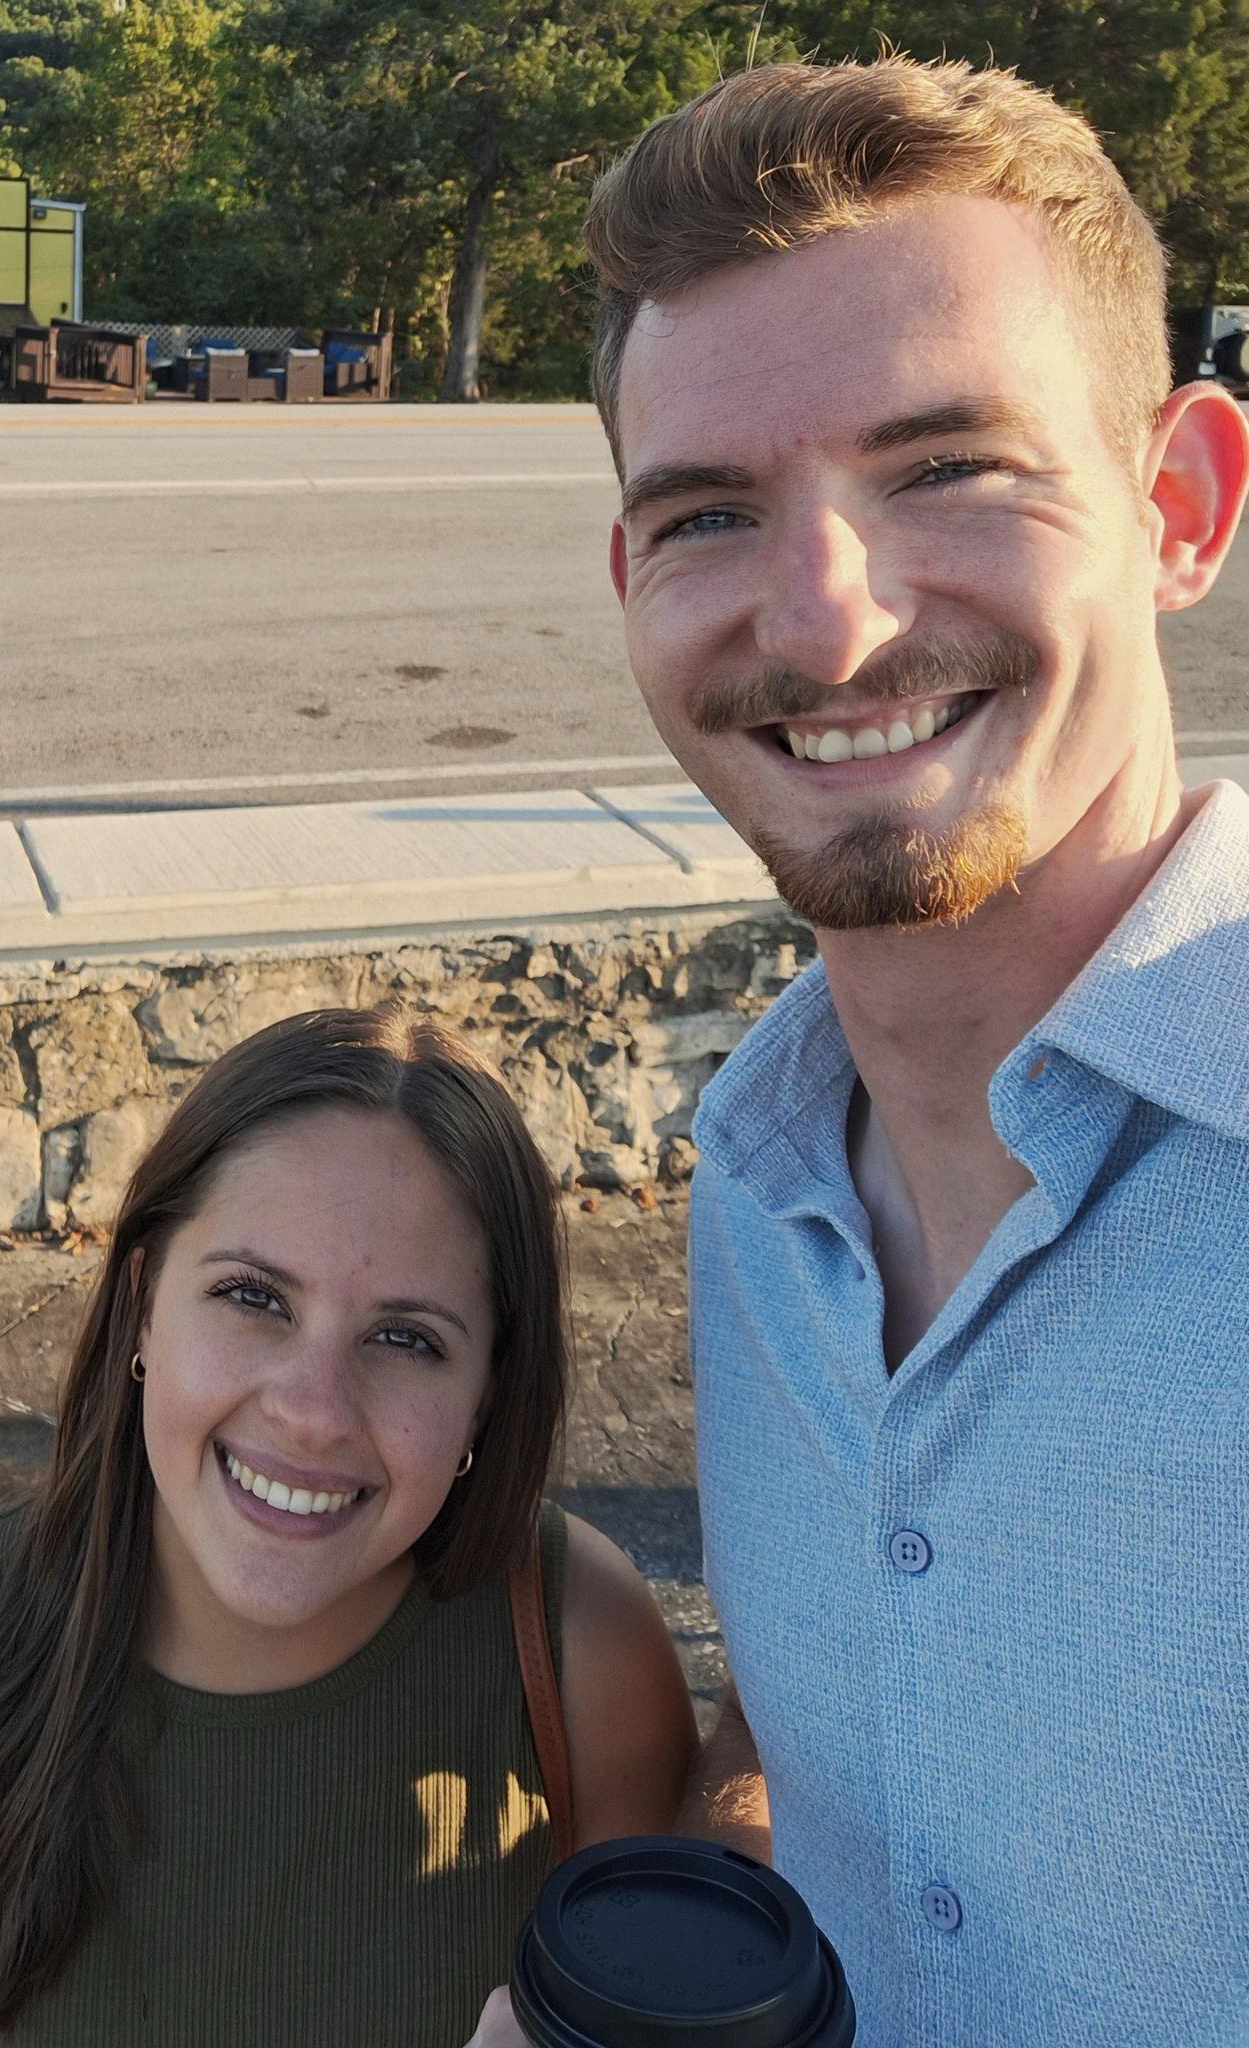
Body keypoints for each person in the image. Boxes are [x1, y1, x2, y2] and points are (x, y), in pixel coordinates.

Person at [481, 52, 1249, 2048]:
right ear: (637, 579)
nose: (821, 626)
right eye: (714, 510)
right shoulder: (759, 1178)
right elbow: (856, 1730)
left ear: (1179, 505)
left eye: (945, 470)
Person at [0, 1005, 698, 2047]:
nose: (311, 1409)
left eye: (405, 1336)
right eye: (251, 1296)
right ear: (141, 1303)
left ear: (487, 1393)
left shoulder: (581, 1645)